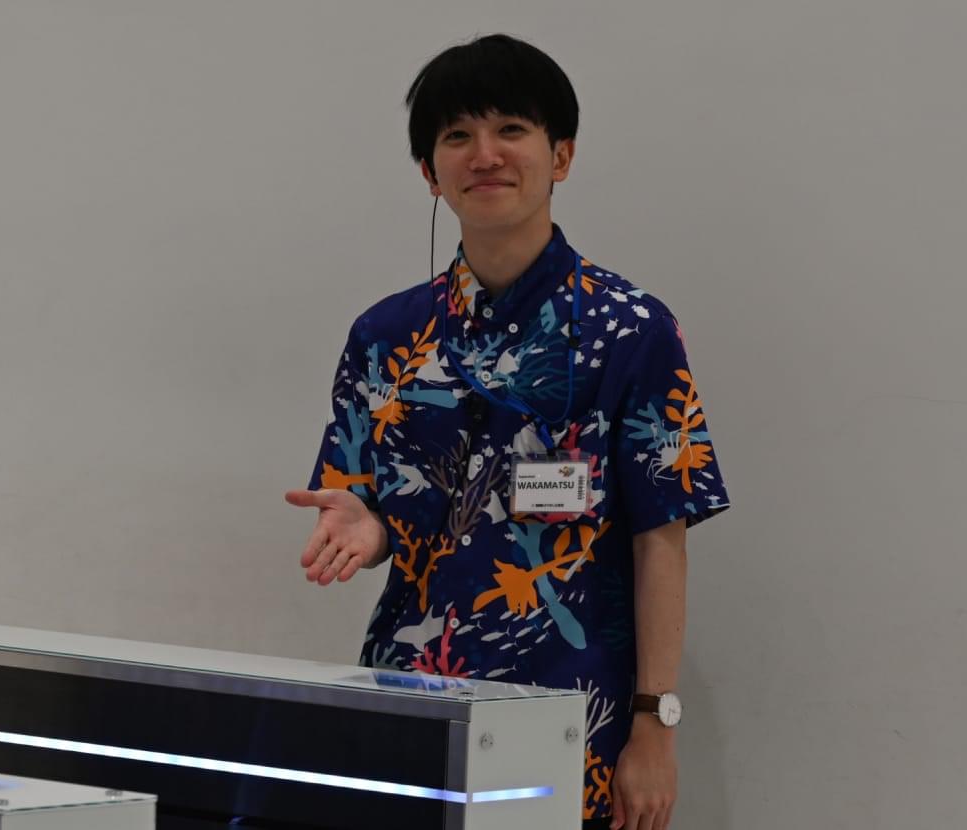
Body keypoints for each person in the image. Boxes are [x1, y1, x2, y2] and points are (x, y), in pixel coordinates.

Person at [285, 34, 730, 830]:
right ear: (431, 173)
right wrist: (372, 530)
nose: (484, 155)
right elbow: (380, 511)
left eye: (511, 130)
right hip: (412, 700)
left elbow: (660, 538)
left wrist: (653, 728)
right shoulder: (386, 337)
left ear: (561, 156)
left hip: (574, 718)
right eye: (458, 135)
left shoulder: (631, 331)